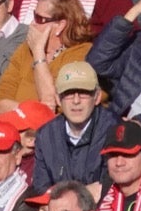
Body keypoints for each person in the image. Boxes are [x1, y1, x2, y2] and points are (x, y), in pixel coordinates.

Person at [32, 63, 119, 191]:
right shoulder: (46, 135)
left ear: (97, 97)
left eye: (84, 93)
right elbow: (41, 189)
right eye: (69, 93)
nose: (76, 101)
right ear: (57, 98)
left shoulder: (114, 131)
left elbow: (111, 187)